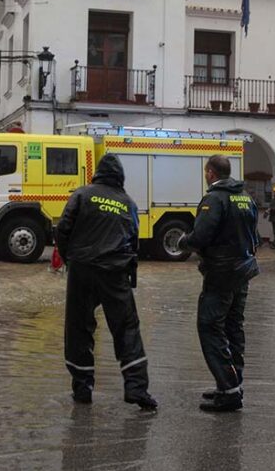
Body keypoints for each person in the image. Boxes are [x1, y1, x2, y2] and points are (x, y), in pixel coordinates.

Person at [55, 154, 157, 411]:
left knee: (78, 327)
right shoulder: (128, 204)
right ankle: (136, 388)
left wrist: (71, 259)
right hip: (115, 271)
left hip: (82, 268)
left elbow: (62, 230)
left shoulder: (82, 195)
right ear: (121, 177)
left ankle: (82, 388)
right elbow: (134, 242)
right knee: (127, 328)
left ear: (98, 173)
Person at [179, 155, 260, 412]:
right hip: (242, 271)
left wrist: (183, 241)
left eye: (206, 172)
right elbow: (254, 236)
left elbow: (201, 236)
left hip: (221, 274)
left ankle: (228, 389)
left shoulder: (214, 199)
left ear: (211, 173)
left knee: (209, 326)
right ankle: (232, 385)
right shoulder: (245, 197)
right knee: (233, 327)